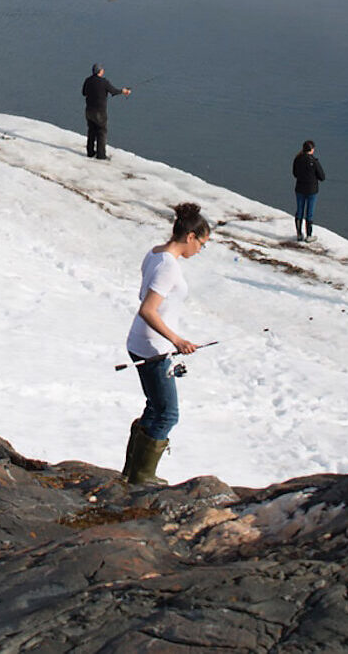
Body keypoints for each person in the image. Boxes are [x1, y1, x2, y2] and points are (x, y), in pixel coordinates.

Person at [121, 201, 212, 486]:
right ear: (190, 237)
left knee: (155, 407)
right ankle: (141, 477)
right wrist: (177, 340)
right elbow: (148, 309)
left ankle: (133, 472)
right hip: (153, 346)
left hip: (142, 341)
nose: (200, 251)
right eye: (202, 244)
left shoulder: (154, 253)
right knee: (168, 413)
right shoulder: (168, 267)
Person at [81, 64, 131, 160]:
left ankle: (90, 152)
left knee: (91, 131)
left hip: (89, 110)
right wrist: (124, 91)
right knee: (101, 132)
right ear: (100, 71)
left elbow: (83, 93)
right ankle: (101, 155)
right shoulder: (104, 82)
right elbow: (114, 91)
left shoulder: (88, 80)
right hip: (100, 112)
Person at [292, 140, 325, 241]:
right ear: (312, 149)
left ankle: (299, 234)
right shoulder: (314, 161)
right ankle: (309, 235)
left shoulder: (297, 159)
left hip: (300, 188)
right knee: (309, 212)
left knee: (299, 211)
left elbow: (295, 174)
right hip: (311, 190)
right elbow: (322, 177)